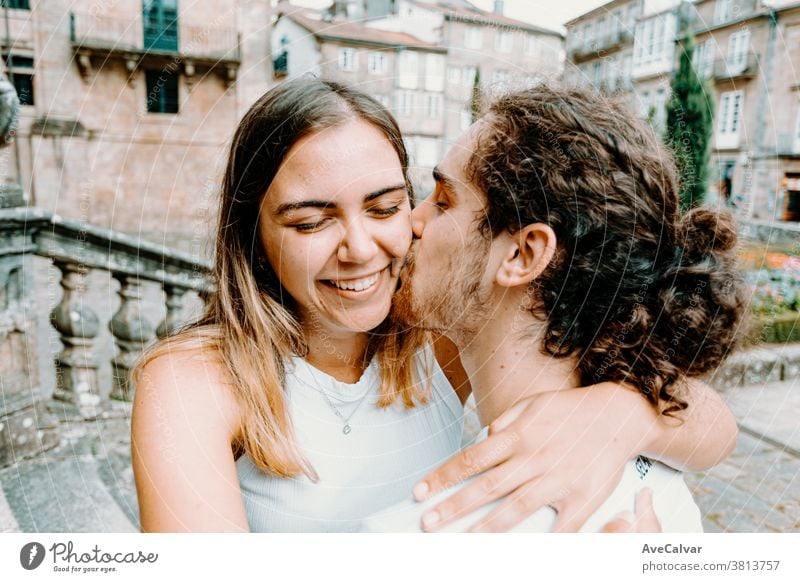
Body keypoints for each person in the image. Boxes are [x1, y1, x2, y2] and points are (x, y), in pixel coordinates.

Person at [131, 78, 738, 533]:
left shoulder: (436, 334)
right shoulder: (196, 381)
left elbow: (712, 423)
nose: (363, 249)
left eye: (387, 206)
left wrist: (617, 414)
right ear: (253, 233)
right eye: (313, 221)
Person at [362, 84, 746, 532]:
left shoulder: (409, 534)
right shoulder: (663, 484)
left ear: (522, 255)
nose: (413, 219)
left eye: (444, 201)